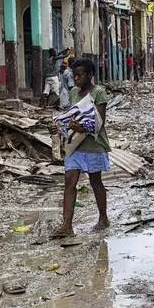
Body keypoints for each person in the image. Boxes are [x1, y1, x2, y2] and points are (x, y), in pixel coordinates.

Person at [51, 58, 111, 238]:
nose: (76, 78)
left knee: (95, 181)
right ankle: (67, 225)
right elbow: (72, 115)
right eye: (74, 75)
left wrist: (83, 127)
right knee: (70, 181)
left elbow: (99, 122)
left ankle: (103, 217)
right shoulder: (74, 93)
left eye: (80, 75)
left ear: (90, 75)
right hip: (76, 144)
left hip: (93, 145)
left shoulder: (98, 93)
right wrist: (60, 126)